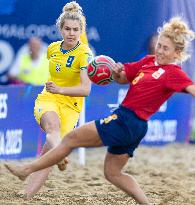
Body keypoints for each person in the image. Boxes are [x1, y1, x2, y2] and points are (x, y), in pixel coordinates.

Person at [5, 17, 195, 204]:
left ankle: (26, 170)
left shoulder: (174, 73)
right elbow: (121, 79)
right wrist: (117, 71)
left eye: (165, 48)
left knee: (70, 139)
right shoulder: (148, 61)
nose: (160, 51)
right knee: (112, 173)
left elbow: (192, 89)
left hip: (127, 120)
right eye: (159, 45)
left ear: (177, 53)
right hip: (133, 126)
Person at [14, 1, 92, 200]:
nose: (71, 33)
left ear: (81, 31)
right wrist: (56, 90)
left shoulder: (84, 53)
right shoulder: (52, 49)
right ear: (60, 29)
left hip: (71, 106)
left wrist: (62, 89)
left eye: (76, 30)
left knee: (46, 158)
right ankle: (62, 154)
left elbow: (86, 89)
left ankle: (27, 197)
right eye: (67, 29)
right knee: (52, 130)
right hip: (48, 98)